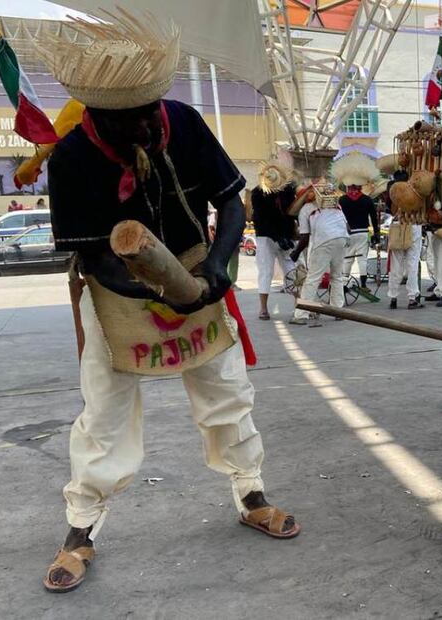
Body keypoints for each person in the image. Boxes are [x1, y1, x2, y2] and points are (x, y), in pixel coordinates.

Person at [39, 15, 298, 593]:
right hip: (116, 285)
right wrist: (153, 288)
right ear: (94, 112)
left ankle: (251, 495)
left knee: (226, 391)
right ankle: (81, 529)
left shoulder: (181, 121)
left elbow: (231, 204)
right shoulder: (73, 154)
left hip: (194, 263)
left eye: (144, 112)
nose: (138, 126)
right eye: (121, 119)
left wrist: (216, 269)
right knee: (103, 410)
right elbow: (96, 257)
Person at [290, 185, 350, 327]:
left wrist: (296, 252)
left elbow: (304, 238)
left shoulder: (305, 209)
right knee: (337, 276)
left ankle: (301, 315)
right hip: (342, 238)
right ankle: (338, 312)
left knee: (312, 278)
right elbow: (348, 228)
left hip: (324, 241)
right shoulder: (336, 206)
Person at [252, 163, 298, 320]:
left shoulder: (287, 191)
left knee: (291, 270)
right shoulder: (258, 194)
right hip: (266, 236)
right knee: (266, 271)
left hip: (284, 235)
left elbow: (291, 214)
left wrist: (289, 236)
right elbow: (260, 219)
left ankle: (300, 305)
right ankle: (263, 308)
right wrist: (277, 237)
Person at [334, 153, 381, 290]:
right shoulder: (367, 200)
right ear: (360, 186)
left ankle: (343, 283)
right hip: (362, 232)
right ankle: (364, 284)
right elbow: (373, 218)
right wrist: (376, 234)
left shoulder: (342, 200)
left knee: (347, 258)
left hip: (348, 233)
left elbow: (338, 217)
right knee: (362, 259)